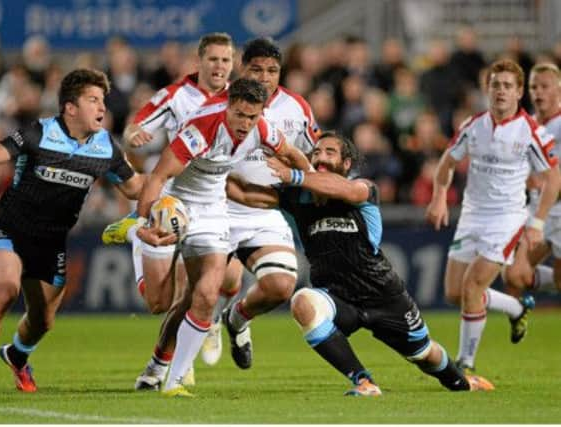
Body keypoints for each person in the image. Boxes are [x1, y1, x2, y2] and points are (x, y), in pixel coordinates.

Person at [226, 132, 494, 396]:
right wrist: (211, 173)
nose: (321, 156)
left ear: (346, 164)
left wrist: (294, 175)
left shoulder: (364, 188)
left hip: (382, 295)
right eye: (317, 152)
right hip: (337, 296)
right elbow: (247, 195)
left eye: (330, 152)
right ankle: (363, 381)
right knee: (302, 302)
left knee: (425, 354)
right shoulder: (298, 198)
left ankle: (461, 382)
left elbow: (345, 190)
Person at [0, 68, 145, 396]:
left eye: (102, 100)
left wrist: (180, 177)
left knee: (42, 322)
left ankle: (17, 356)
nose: (102, 107)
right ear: (70, 108)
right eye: (93, 100)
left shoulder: (107, 149)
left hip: (52, 241)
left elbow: (135, 188)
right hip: (9, 228)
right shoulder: (39, 133)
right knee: (4, 290)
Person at [135, 78, 311, 397]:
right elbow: (158, 175)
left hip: (215, 210)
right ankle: (155, 365)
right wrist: (144, 219)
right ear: (229, 106)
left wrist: (307, 179)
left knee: (206, 294)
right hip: (178, 204)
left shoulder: (263, 129)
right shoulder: (200, 129)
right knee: (161, 302)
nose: (246, 124)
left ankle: (173, 382)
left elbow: (293, 153)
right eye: (240, 115)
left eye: (253, 116)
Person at [101, 32, 234, 390]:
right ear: (200, 61)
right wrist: (134, 136)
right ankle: (133, 229)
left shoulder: (240, 102)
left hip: (212, 204)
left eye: (225, 60)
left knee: (200, 289)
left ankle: (172, 364)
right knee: (160, 303)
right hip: (170, 198)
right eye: (213, 59)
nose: (219, 66)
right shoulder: (176, 95)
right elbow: (135, 126)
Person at [425, 59, 561, 372]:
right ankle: (515, 308)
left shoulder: (531, 131)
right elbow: (446, 163)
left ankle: (465, 364)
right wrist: (438, 199)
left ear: (518, 93)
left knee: (474, 287)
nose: (500, 91)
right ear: (488, 89)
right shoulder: (473, 125)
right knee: (453, 293)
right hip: (472, 215)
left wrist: (537, 223)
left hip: (507, 219)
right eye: (495, 85)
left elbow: (553, 178)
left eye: (507, 86)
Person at [204, 37, 320, 369]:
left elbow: (312, 156)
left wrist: (307, 182)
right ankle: (171, 367)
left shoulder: (297, 108)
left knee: (281, 286)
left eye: (272, 71)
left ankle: (235, 319)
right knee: (215, 283)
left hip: (265, 211)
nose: (265, 78)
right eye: (256, 69)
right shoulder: (219, 103)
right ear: (243, 69)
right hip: (218, 208)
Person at [503, 63, 561, 295]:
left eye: (544, 86)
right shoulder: (526, 125)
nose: (538, 92)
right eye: (534, 87)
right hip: (540, 207)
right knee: (515, 275)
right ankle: (518, 320)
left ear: (558, 89)